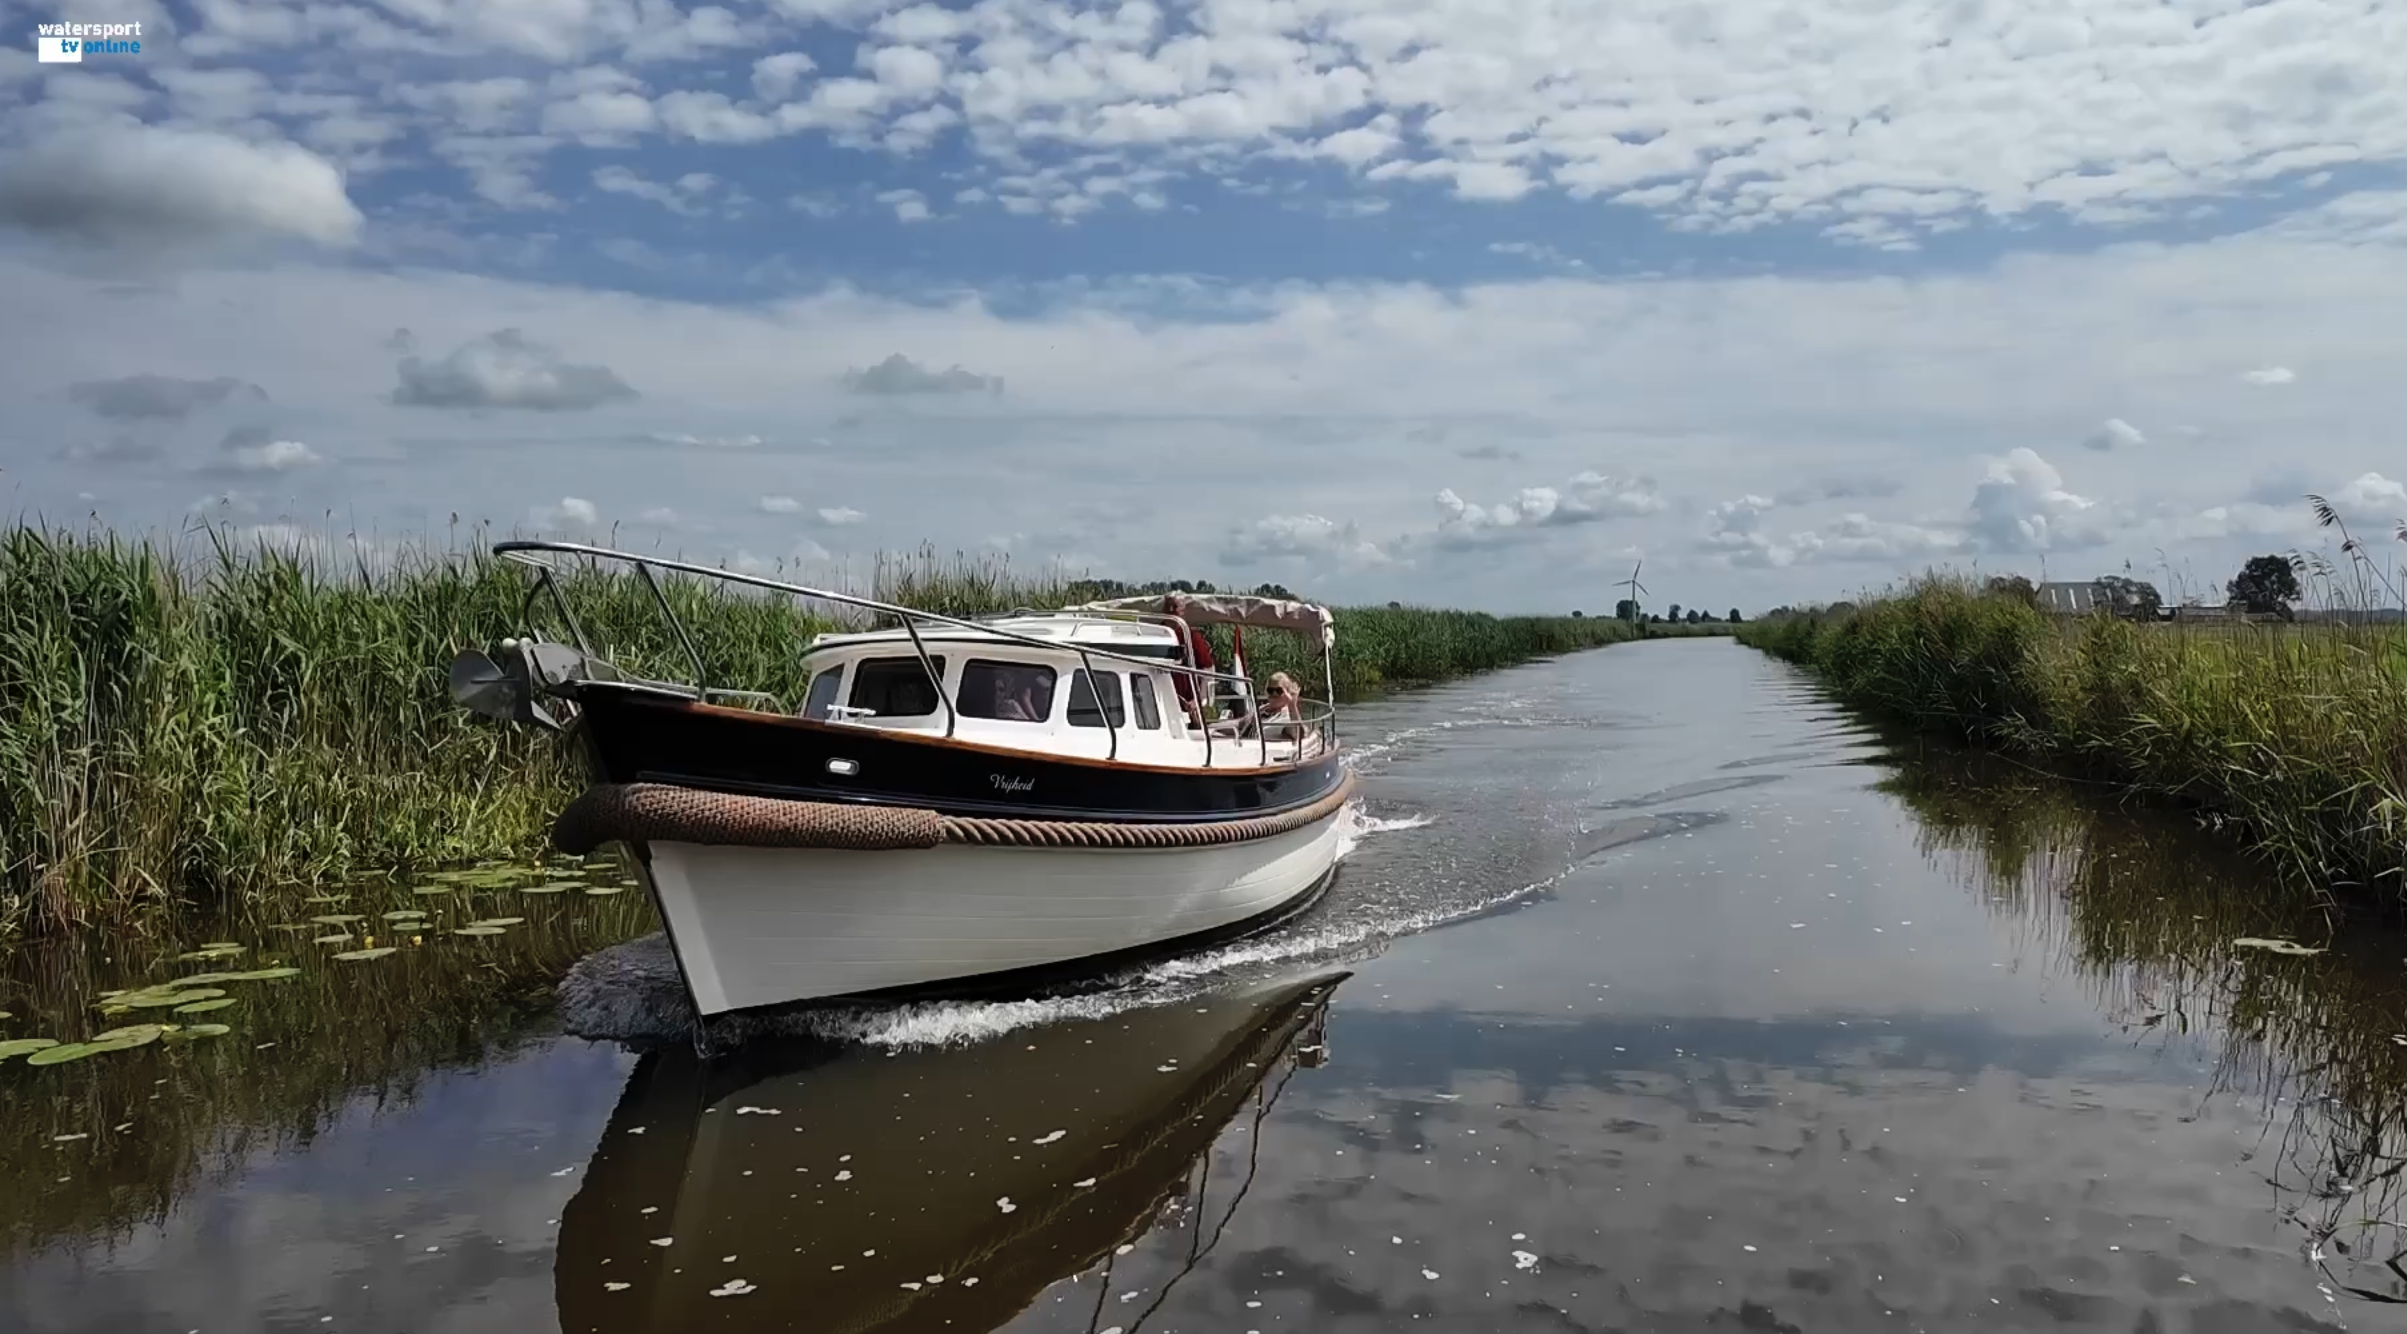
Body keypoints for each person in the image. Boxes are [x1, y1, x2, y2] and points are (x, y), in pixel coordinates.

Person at [1162, 594, 1216, 729]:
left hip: (1187, 706)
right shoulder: (1154, 634)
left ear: (1182, 610)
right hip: (1160, 700)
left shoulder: (1192, 637)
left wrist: (1198, 700)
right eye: (1167, 606)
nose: (1170, 610)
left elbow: (1208, 669)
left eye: (1174, 606)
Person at [1259, 671, 1305, 743]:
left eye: (1279, 690)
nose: (1274, 694)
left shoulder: (1287, 716)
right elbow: (1242, 722)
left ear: (1288, 692)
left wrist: (1292, 705)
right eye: (1270, 690)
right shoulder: (1262, 709)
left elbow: (1299, 735)